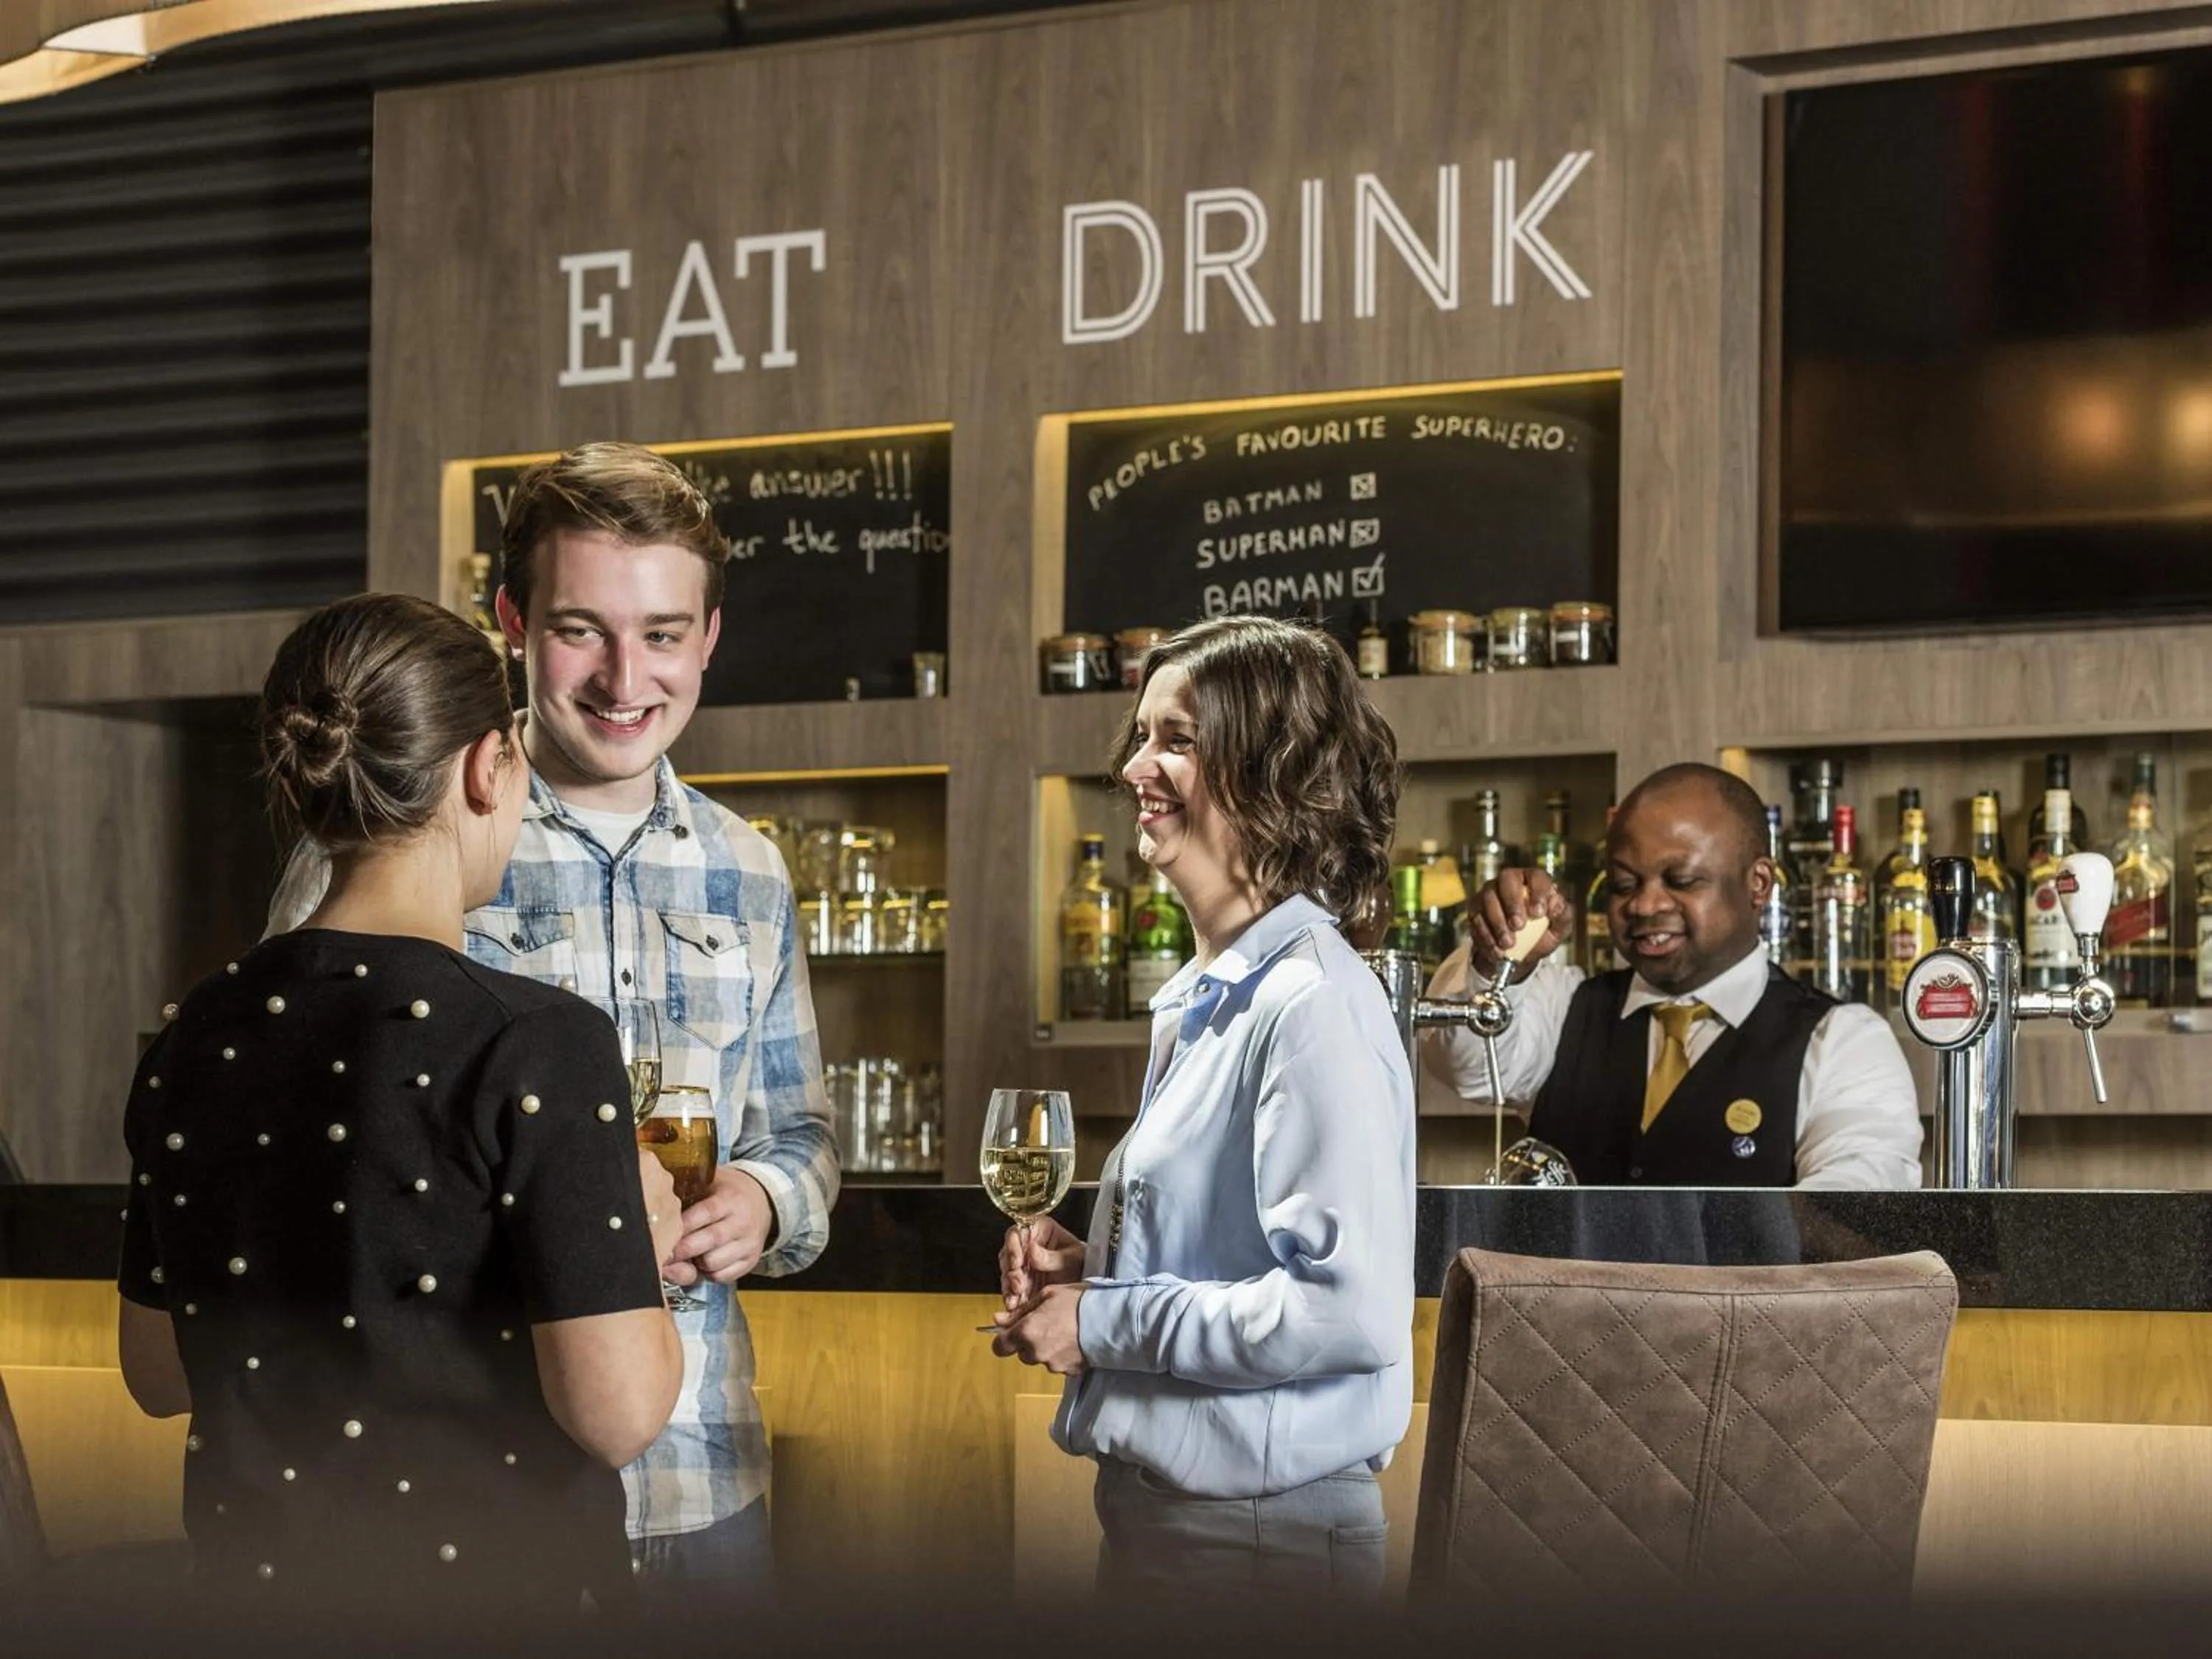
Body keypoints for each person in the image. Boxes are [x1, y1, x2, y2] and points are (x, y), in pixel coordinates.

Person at [264, 442, 838, 1600]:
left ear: (710, 636)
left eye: (665, 633)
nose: (628, 675)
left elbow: (805, 1132)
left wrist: (766, 1200)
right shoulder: (390, 846)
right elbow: (287, 1156)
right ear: (511, 621)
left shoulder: (751, 868)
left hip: (703, 1479)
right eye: (583, 628)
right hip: (472, 1491)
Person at [119, 593, 684, 1637]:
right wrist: (634, 1235)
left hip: (252, 1606)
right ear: (487, 766)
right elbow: (617, 1415)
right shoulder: (537, 1039)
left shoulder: (193, 1032)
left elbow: (156, 1375)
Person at [992, 614, 1416, 1597]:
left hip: (1259, 1540)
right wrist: (1091, 1268)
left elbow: (1342, 1313)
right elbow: (1231, 1256)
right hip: (1183, 1525)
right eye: (1143, 735)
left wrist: (1103, 1321)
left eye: (1177, 740)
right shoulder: (1216, 992)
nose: (1136, 766)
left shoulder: (1311, 1003)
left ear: (1281, 777)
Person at [1425, 762, 1922, 1187]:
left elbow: (1852, 1205)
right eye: (1623, 884)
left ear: (1759, 883)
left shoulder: (1843, 1044)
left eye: (1681, 881)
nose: (1645, 904)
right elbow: (1463, 1063)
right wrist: (1498, 962)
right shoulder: (1565, 1007)